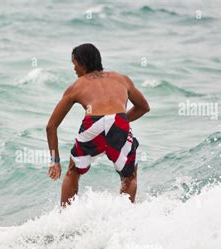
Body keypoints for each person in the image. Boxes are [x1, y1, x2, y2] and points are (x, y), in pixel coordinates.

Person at [46, 43, 150, 205]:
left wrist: (55, 161)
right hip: (119, 120)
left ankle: (63, 219)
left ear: (83, 63)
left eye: (75, 65)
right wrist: (119, 123)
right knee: (129, 176)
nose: (74, 69)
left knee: (73, 172)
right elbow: (144, 107)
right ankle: (126, 218)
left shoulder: (76, 86)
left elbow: (51, 126)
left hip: (92, 124)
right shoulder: (121, 78)